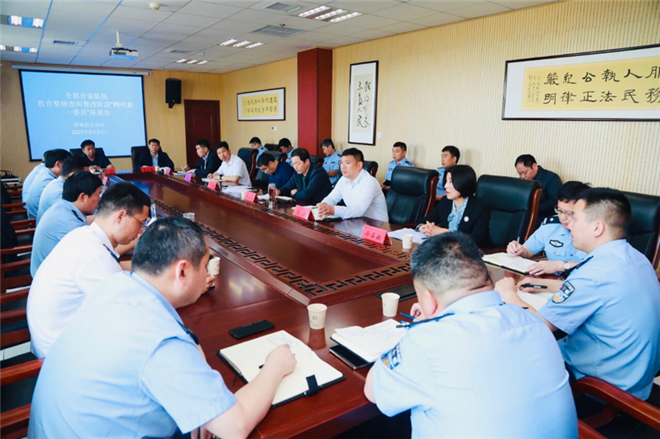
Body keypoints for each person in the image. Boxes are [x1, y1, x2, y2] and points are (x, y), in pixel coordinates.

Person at [28, 216, 296, 439]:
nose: (208, 275)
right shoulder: (160, 341)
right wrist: (275, 365)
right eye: (205, 266)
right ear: (182, 272)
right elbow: (235, 427)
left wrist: (201, 404)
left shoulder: (115, 285)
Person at [364, 232, 577, 438]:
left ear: (429, 300)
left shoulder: (427, 342)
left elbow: (373, 391)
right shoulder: (534, 322)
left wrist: (420, 327)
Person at [496, 188, 660, 401]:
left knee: (505, 351)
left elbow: (540, 327)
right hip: (636, 379)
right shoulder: (637, 258)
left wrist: (509, 294)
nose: (569, 224)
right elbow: (597, 292)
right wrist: (544, 284)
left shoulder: (594, 274)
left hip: (602, 389)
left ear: (597, 227)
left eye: (575, 218)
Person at [27, 182, 151, 358]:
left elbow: (115, 266)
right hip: (59, 355)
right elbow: (128, 313)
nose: (140, 232)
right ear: (121, 216)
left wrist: (155, 268)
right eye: (141, 223)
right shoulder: (94, 256)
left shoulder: (84, 235)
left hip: (51, 336)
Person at [506, 181, 590, 276]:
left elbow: (598, 270)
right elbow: (527, 251)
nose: (562, 217)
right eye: (560, 210)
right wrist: (519, 250)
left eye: (569, 213)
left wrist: (561, 266)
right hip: (551, 281)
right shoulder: (551, 226)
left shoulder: (595, 233)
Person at [31, 172, 102, 277]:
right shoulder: (67, 222)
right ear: (83, 197)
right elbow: (100, 251)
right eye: (98, 195)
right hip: (52, 278)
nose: (100, 199)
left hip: (52, 270)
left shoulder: (63, 207)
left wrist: (107, 217)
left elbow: (85, 220)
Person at [417, 165, 490, 247]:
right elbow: (425, 221)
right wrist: (423, 227)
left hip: (470, 252)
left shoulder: (480, 207)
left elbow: (475, 240)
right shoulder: (445, 201)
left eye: (450, 182)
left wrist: (445, 232)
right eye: (446, 181)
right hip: (446, 248)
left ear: (463, 182)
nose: (445, 186)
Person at [317, 148, 388, 222]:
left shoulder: (370, 182)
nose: (343, 166)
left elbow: (359, 210)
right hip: (356, 221)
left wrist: (333, 210)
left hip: (377, 225)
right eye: (341, 163)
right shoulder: (343, 179)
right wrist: (324, 205)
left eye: (347, 163)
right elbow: (332, 198)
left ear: (359, 165)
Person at [36, 156, 88, 224]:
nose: (88, 179)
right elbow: (75, 216)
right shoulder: (59, 191)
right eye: (86, 175)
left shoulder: (62, 184)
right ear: (73, 175)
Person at [515, 154, 562, 223]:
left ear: (534, 166)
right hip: (524, 215)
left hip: (543, 218)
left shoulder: (552, 178)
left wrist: (532, 209)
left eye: (525, 172)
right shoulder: (522, 180)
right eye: (519, 174)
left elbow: (555, 201)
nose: (522, 176)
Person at [26, 149, 71, 219]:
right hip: (36, 219)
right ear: (58, 164)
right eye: (68, 165)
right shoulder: (48, 181)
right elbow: (67, 207)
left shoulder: (44, 173)